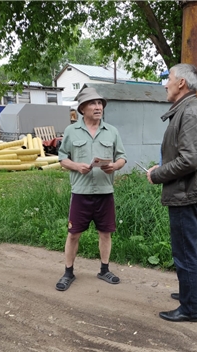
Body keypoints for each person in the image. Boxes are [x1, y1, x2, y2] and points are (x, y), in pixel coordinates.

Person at [147, 64, 197, 322]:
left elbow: (188, 161)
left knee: (185, 250)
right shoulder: (190, 108)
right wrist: (162, 168)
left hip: (185, 191)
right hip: (189, 189)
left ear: (182, 84)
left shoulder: (189, 112)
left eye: (169, 79)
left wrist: (158, 174)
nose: (166, 84)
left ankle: (189, 309)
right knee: (192, 245)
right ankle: (196, 294)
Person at [56, 87, 127, 291]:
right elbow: (62, 158)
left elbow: (122, 157)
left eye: (100, 104)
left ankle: (104, 270)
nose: (98, 107)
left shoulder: (112, 131)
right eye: (93, 104)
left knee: (105, 233)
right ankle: (68, 272)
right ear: (82, 109)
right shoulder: (71, 131)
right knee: (73, 234)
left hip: (105, 192)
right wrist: (77, 166)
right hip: (81, 192)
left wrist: (114, 166)